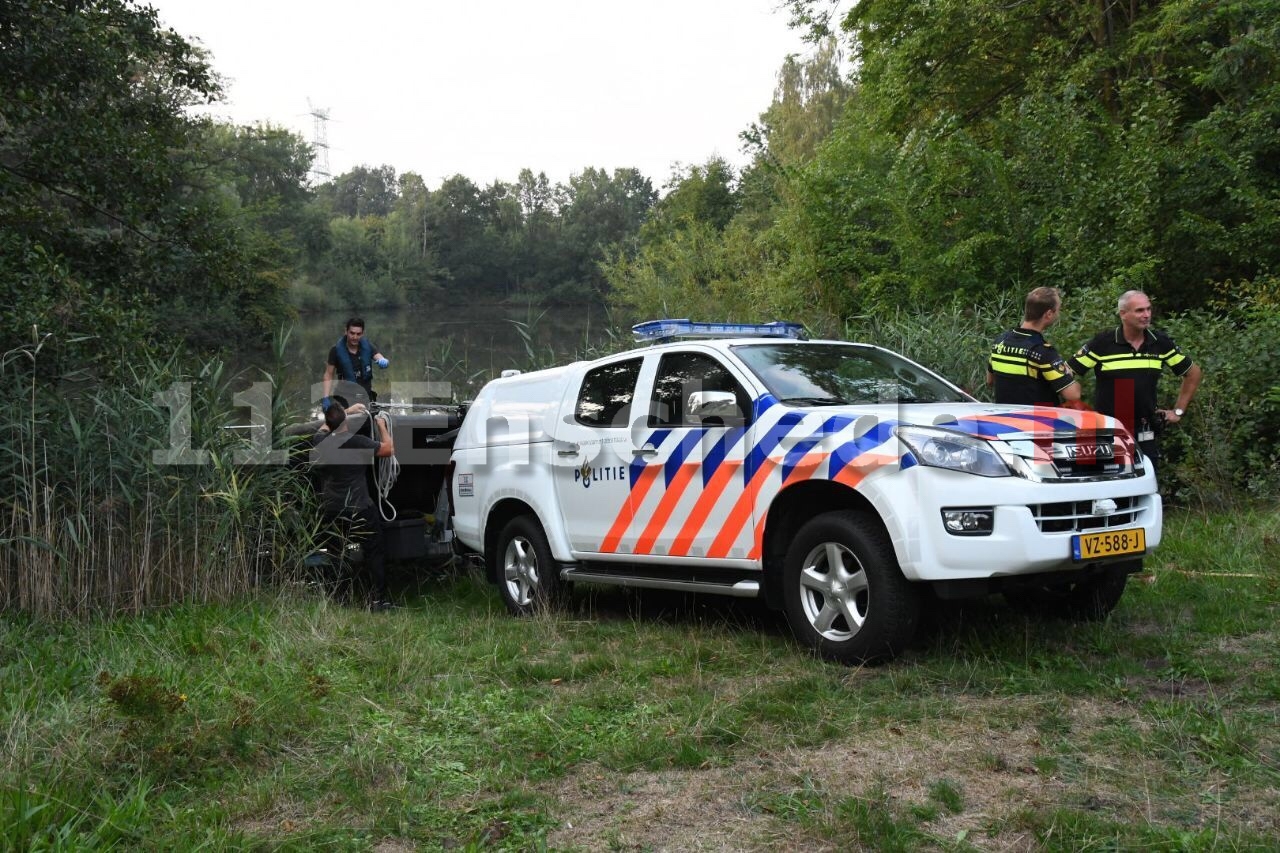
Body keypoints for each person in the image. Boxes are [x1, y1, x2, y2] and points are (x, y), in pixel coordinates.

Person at [1068, 289, 1203, 472]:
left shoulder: (1160, 343)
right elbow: (1066, 374)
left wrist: (1178, 410)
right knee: (1111, 492)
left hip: (1145, 430)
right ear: (1123, 314)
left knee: (1146, 486)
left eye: (1148, 309)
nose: (1146, 315)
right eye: (1140, 310)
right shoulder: (1103, 343)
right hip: (1109, 431)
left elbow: (1193, 373)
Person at [310, 402, 396, 610]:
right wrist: (382, 425)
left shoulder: (321, 441)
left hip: (332, 509)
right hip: (360, 508)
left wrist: (344, 412)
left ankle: (339, 599)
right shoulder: (357, 441)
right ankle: (378, 600)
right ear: (346, 422)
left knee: (335, 552)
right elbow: (388, 449)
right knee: (375, 551)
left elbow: (324, 427)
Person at [987, 286, 1082, 406]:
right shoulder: (1042, 351)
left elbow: (990, 381)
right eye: (1058, 310)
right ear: (1048, 314)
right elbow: (1073, 394)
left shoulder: (999, 342)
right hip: (1037, 422)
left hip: (1005, 420)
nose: (1058, 314)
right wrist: (1067, 373)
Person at [322, 317, 389, 411]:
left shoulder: (367, 346)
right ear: (346, 331)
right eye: (352, 333)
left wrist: (383, 360)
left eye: (358, 334)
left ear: (363, 333)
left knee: (371, 421)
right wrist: (325, 397)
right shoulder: (336, 350)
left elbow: (378, 356)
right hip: (345, 398)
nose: (355, 337)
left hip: (365, 396)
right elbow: (328, 374)